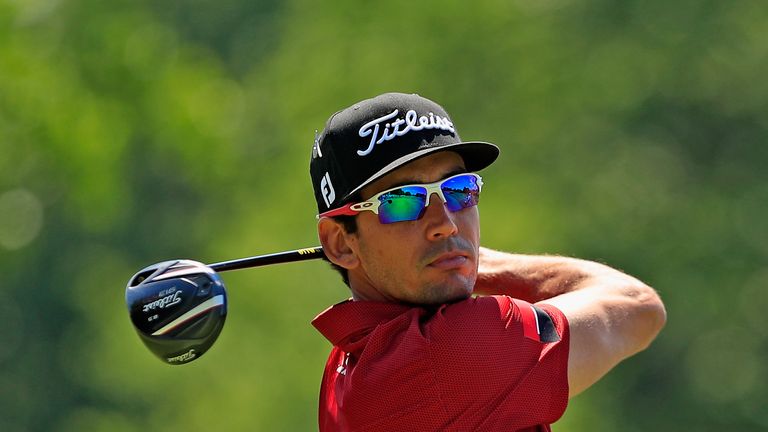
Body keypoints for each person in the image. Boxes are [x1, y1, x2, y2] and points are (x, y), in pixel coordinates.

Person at [309, 92, 666, 431]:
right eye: (402, 201)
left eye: (459, 189)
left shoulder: (344, 361)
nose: (445, 224)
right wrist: (485, 266)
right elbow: (637, 306)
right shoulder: (454, 352)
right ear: (340, 243)